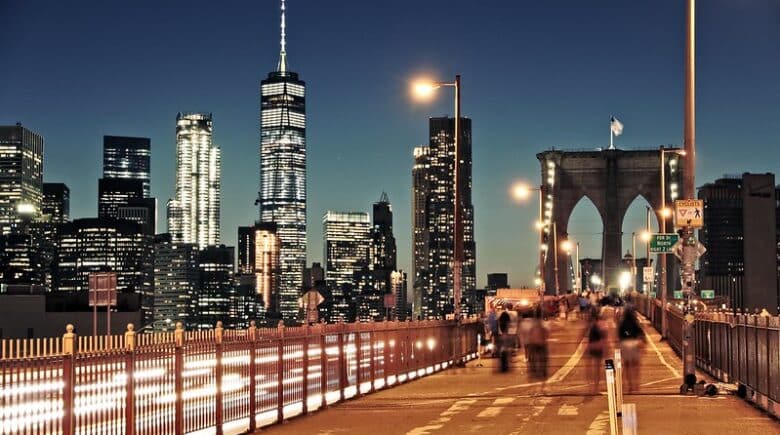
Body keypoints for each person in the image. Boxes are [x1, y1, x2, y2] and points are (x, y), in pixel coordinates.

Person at [618, 307, 644, 392]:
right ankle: (636, 385)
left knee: (627, 366)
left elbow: (620, 336)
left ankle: (630, 385)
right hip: (634, 343)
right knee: (636, 366)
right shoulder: (635, 322)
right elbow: (641, 334)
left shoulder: (622, 323)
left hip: (625, 344)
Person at [584, 310, 607, 394]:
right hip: (598, 348)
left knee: (589, 367)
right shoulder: (601, 325)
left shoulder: (590, 326)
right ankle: (595, 388)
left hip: (591, 347)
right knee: (596, 369)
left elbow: (584, 336)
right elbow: (604, 338)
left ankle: (591, 386)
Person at [526, 308, 549, 382]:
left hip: (533, 343)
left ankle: (534, 371)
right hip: (542, 343)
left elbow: (529, 333)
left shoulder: (531, 323)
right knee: (543, 358)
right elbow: (547, 332)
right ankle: (543, 372)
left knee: (532, 358)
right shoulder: (544, 323)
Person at [498, 306, 512, 372]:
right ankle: (505, 366)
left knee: (502, 351)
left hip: (502, 335)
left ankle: (503, 367)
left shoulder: (499, 336)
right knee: (506, 350)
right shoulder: (508, 336)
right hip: (505, 336)